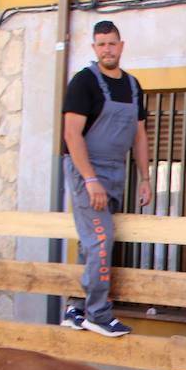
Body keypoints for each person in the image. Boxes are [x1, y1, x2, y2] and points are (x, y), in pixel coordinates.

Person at [60, 20, 151, 337]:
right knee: (101, 238)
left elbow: (139, 135)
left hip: (116, 168)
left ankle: (76, 308)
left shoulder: (133, 86)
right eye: (101, 44)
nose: (107, 49)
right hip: (87, 168)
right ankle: (98, 313)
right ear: (94, 48)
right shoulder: (83, 82)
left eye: (111, 43)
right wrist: (89, 179)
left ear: (121, 45)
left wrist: (145, 177)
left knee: (90, 242)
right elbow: (72, 134)